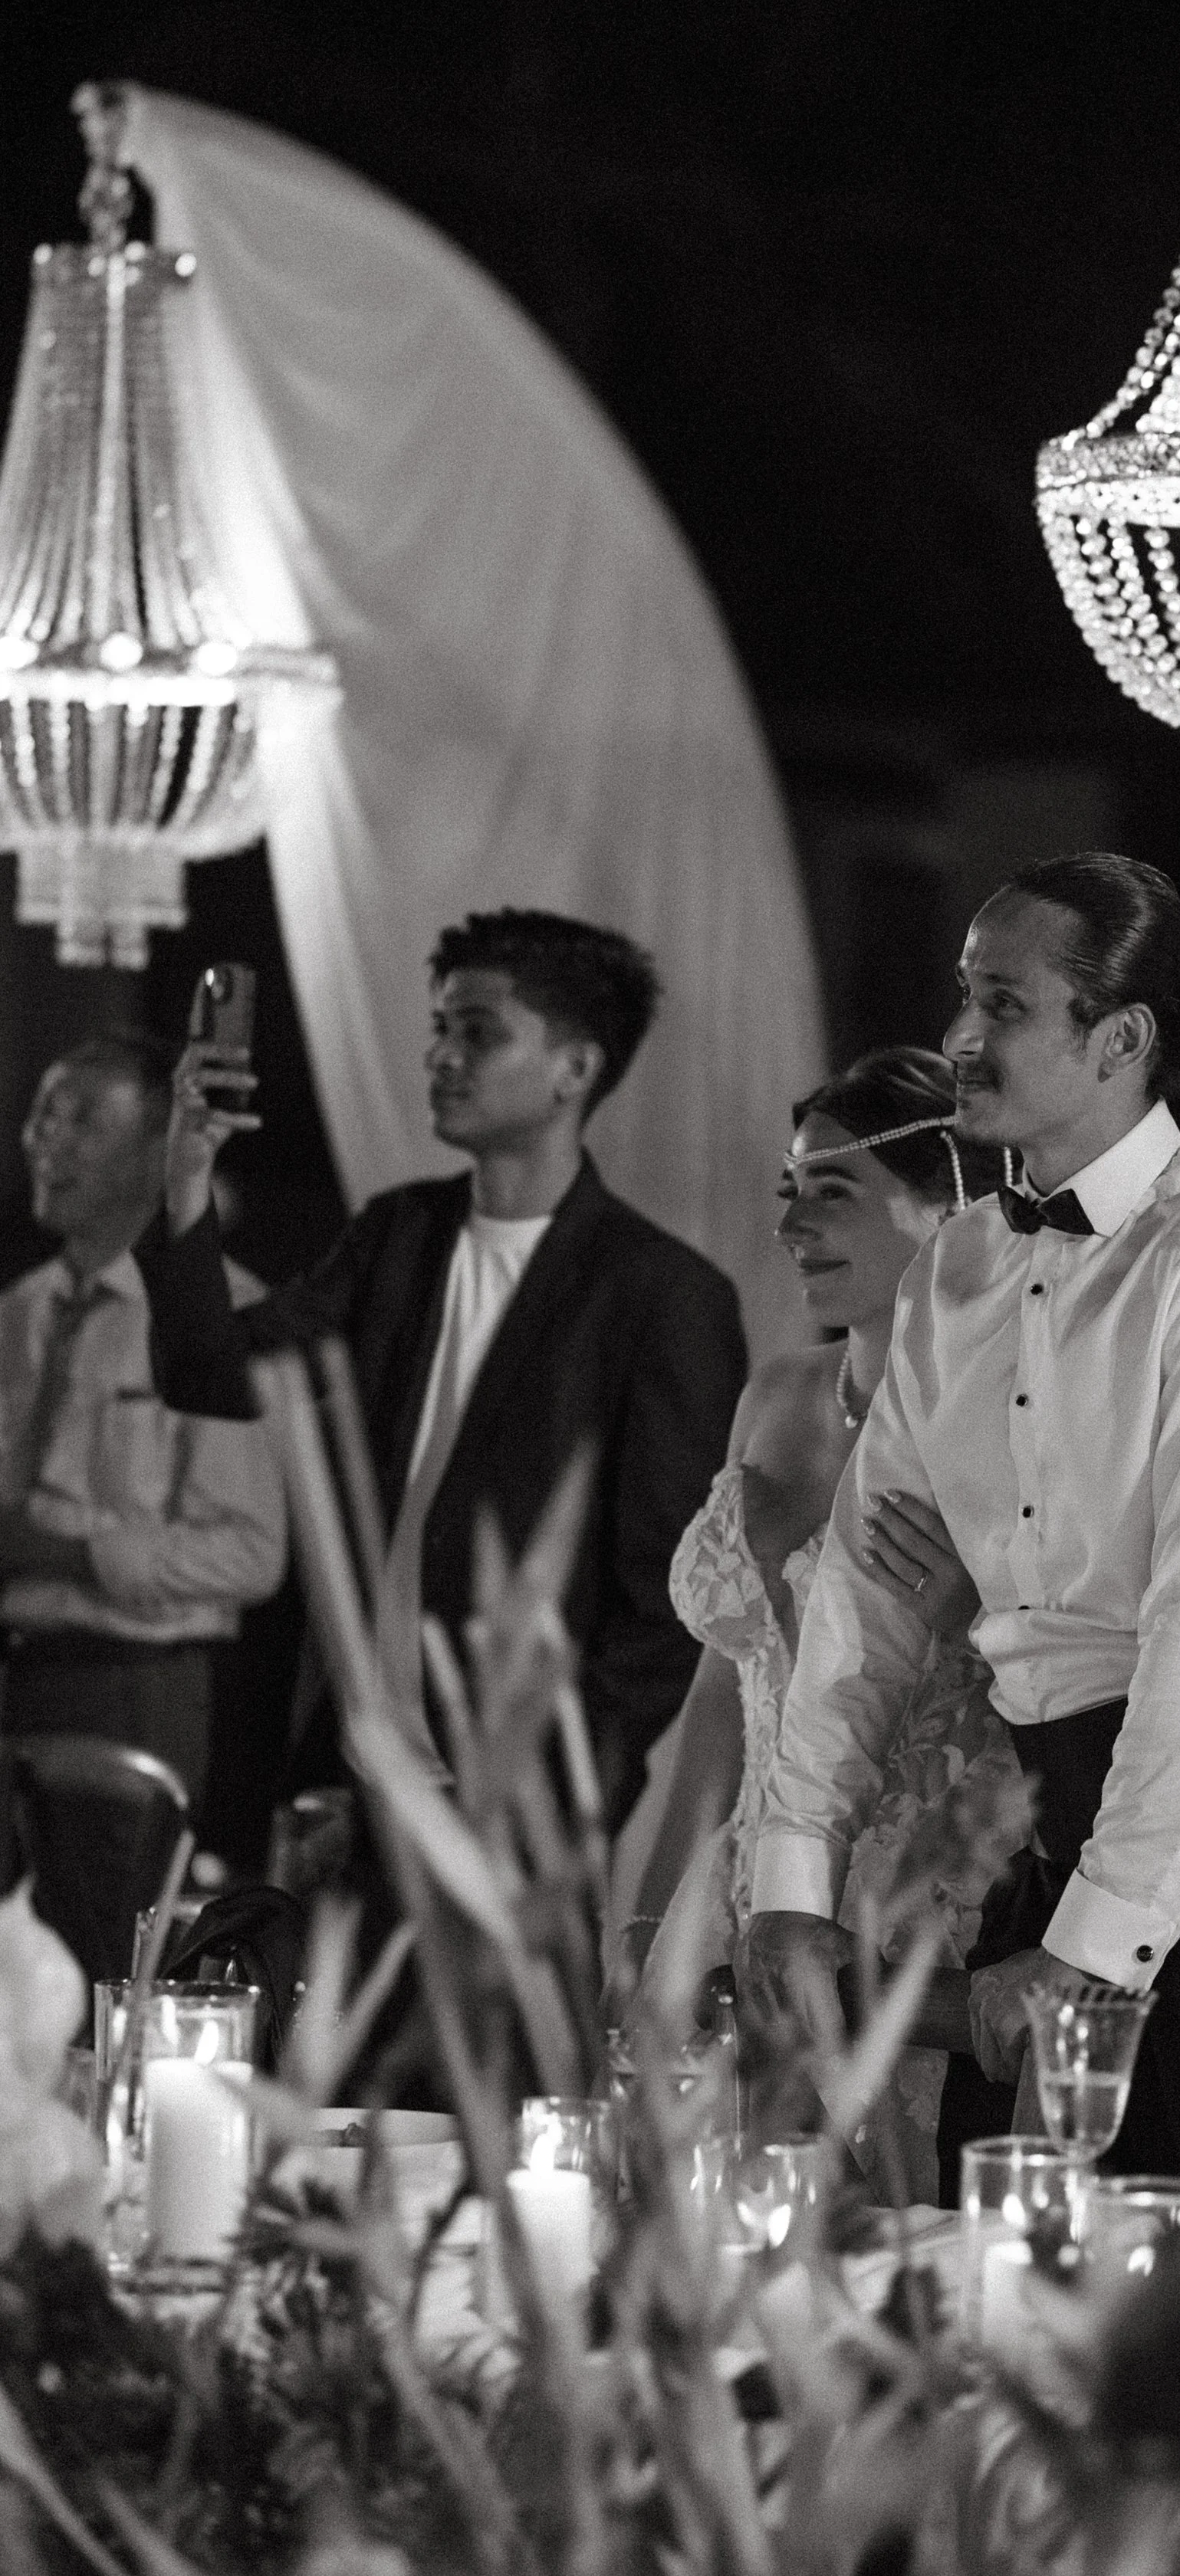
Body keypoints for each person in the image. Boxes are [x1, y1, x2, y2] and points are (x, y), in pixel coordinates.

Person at [743, 852, 1180, 2200]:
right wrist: (792, 1882)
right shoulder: (960, 1267)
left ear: (1123, 1040)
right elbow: (863, 1599)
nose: (961, 1041)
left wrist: (1090, 1950)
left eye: (1004, 1006)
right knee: (1020, 2275)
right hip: (1049, 1810)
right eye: (961, 1000)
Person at [139, 909, 746, 1833]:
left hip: (517, 1808)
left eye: (477, 1032)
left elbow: (663, 1604)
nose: (440, 1057)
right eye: (439, 1030)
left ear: (573, 1070)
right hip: (346, 1782)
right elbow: (210, 1375)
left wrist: (558, 1794)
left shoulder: (659, 1294)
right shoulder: (398, 1236)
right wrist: (186, 1175)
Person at [625, 1048, 1021, 2202]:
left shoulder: (1005, 1420)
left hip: (918, 1909)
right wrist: (654, 1907)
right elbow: (723, 1688)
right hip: (742, 1885)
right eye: (788, 1191)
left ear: (943, 1203)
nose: (793, 1222)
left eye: (830, 1192)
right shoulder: (779, 1394)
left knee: (895, 2246)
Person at [0, 1032, 284, 1810]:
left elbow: (250, 1554)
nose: (45, 1141)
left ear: (157, 1149)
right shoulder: (21, 1310)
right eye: (40, 1117)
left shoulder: (215, 1311)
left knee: (105, 1931)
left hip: (128, 1684)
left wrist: (72, 1555)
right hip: (15, 1670)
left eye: (81, 1119)